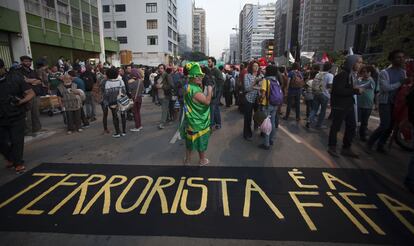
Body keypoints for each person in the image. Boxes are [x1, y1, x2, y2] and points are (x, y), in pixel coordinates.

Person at [366, 50, 406, 154]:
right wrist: (400, 83)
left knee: (391, 127)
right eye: (398, 57)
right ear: (392, 59)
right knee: (385, 125)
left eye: (402, 57)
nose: (401, 59)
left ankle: (381, 145)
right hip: (385, 102)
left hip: (397, 103)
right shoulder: (384, 72)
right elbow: (386, 88)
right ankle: (370, 143)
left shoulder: (403, 72)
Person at [0, 59, 35, 173]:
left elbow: (31, 93)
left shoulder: (15, 78)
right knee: (2, 142)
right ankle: (11, 158)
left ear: (2, 68)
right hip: (1, 117)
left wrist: (21, 101)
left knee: (17, 140)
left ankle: (18, 163)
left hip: (16, 115)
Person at [328, 55, 364, 158]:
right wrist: (355, 91)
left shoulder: (351, 75)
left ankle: (346, 148)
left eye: (361, 63)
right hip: (340, 106)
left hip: (348, 105)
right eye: (359, 62)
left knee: (352, 126)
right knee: (336, 127)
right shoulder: (343, 75)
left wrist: (355, 90)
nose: (360, 65)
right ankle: (332, 146)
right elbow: (338, 91)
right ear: (352, 63)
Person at [180, 62, 213, 166]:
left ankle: (188, 160)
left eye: (200, 76)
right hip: (198, 121)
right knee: (201, 141)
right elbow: (207, 102)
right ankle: (202, 160)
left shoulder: (187, 86)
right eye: (197, 76)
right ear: (191, 77)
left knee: (189, 141)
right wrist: (210, 89)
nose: (200, 78)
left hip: (190, 119)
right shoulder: (195, 90)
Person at [258, 65, 281, 150]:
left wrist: (260, 100)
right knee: (273, 123)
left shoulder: (266, 80)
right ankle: (271, 140)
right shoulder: (276, 81)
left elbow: (263, 94)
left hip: (267, 105)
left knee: (267, 124)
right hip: (275, 104)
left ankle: (266, 144)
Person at [19, 56, 43, 136]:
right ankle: (28, 131)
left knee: (35, 113)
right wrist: (33, 81)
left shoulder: (33, 71)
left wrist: (29, 80)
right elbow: (22, 81)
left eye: (29, 61)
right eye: (26, 61)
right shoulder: (19, 72)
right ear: (22, 62)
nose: (28, 63)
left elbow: (39, 81)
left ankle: (37, 128)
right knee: (28, 115)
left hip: (36, 94)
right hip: (27, 95)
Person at [307, 62, 334, 128]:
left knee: (314, 109)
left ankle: (309, 121)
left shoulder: (318, 74)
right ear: (330, 68)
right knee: (323, 110)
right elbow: (329, 85)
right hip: (324, 94)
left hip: (316, 93)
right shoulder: (330, 75)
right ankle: (319, 125)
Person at [104, 67, 127, 138]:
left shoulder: (107, 83)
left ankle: (117, 132)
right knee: (123, 115)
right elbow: (124, 91)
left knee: (115, 117)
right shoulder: (120, 81)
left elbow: (107, 94)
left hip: (112, 102)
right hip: (121, 101)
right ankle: (124, 131)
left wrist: (106, 102)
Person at [243, 61, 262, 141]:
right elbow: (247, 88)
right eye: (254, 66)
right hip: (249, 99)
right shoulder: (247, 76)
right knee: (248, 117)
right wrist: (255, 83)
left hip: (258, 99)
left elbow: (262, 88)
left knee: (259, 116)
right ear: (251, 67)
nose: (256, 67)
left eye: (257, 66)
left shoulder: (261, 76)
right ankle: (247, 133)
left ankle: (260, 130)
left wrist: (257, 87)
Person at [356, 66, 376, 141]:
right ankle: (356, 133)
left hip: (368, 105)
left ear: (371, 73)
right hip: (359, 104)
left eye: (368, 72)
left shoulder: (371, 81)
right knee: (357, 120)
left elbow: (361, 87)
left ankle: (362, 135)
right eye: (364, 72)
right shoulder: (359, 80)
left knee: (364, 122)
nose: (366, 73)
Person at [155, 64, 174, 129]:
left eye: (162, 68)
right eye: (159, 68)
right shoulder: (157, 76)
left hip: (166, 95)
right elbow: (155, 85)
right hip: (160, 95)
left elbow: (171, 85)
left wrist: (162, 86)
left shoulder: (167, 75)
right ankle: (168, 119)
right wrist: (155, 86)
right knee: (165, 109)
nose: (160, 69)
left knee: (164, 109)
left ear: (164, 69)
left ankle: (162, 123)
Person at [208, 57, 224, 129]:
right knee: (215, 108)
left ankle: (213, 124)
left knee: (213, 108)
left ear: (213, 63)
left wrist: (217, 93)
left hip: (216, 93)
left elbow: (221, 81)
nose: (208, 63)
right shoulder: (209, 71)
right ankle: (217, 123)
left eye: (209, 62)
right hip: (211, 93)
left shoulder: (217, 71)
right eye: (208, 62)